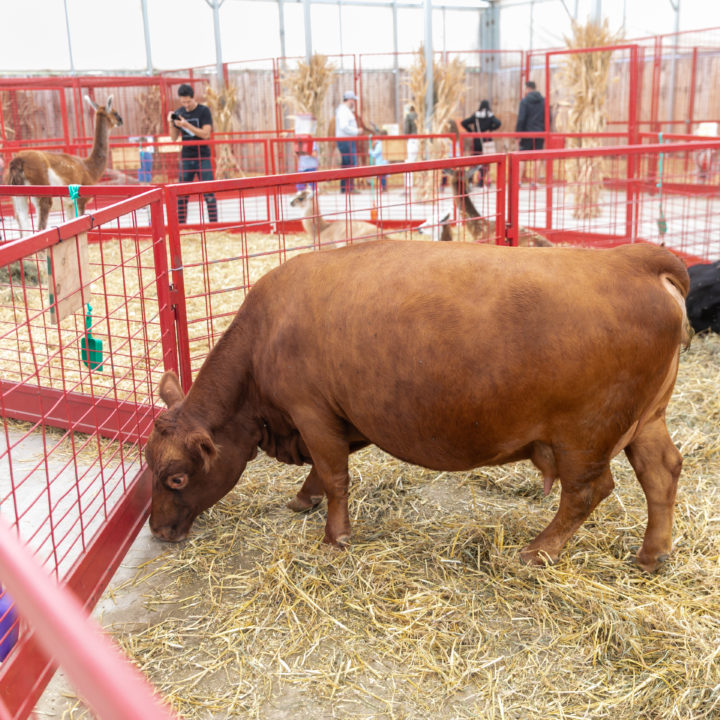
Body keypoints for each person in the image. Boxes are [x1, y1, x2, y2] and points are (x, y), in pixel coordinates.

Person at [168, 83, 218, 223]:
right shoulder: (180, 112)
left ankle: (214, 224)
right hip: (186, 158)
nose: (186, 105)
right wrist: (171, 123)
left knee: (209, 193)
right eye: (183, 102)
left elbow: (205, 134)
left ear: (193, 98)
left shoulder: (204, 111)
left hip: (203, 157)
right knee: (182, 195)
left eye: (188, 101)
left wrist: (186, 125)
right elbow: (173, 138)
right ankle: (181, 226)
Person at [461, 99, 501, 187]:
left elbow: (463, 122)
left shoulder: (476, 115)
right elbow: (498, 123)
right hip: (487, 141)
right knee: (486, 161)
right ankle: (481, 181)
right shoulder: (490, 115)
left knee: (474, 161)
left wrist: (471, 131)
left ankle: (470, 181)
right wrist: (490, 129)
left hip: (477, 141)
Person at [515, 80, 546, 185]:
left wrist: (518, 134)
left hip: (527, 133)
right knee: (537, 157)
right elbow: (547, 117)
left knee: (522, 156)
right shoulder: (543, 101)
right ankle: (535, 181)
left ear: (528, 88)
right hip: (540, 132)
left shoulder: (524, 101)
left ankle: (518, 181)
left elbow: (521, 119)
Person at [335, 90, 360, 194]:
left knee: (346, 164)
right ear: (349, 100)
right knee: (350, 163)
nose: (354, 102)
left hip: (346, 140)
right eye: (353, 100)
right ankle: (349, 188)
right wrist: (356, 131)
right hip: (346, 140)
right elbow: (344, 126)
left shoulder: (343, 110)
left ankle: (345, 188)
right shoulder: (344, 111)